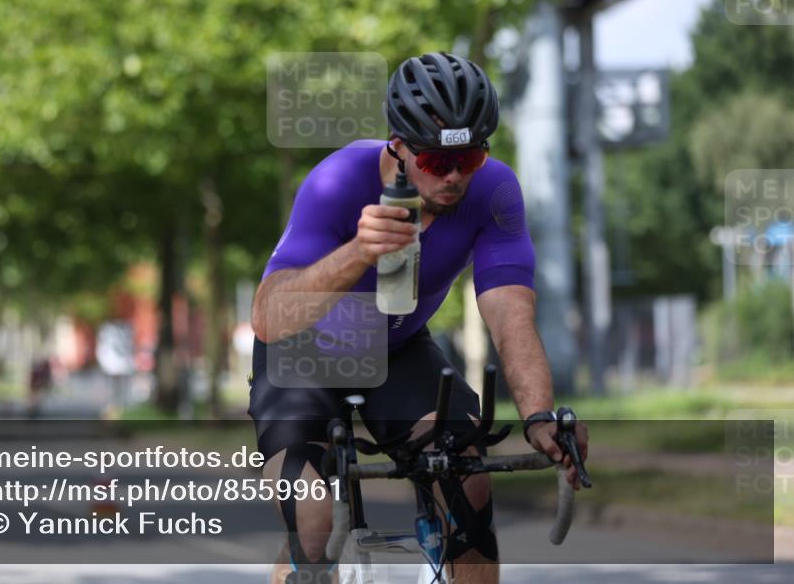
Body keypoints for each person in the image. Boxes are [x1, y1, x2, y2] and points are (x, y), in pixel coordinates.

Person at [249, 52, 589, 584]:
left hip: (396, 348)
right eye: (435, 162)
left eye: (470, 158)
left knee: (468, 483)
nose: (455, 177)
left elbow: (511, 315)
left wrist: (540, 417)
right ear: (398, 147)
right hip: (302, 351)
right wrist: (358, 252)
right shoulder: (338, 181)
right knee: (313, 521)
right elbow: (268, 316)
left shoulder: (496, 192)